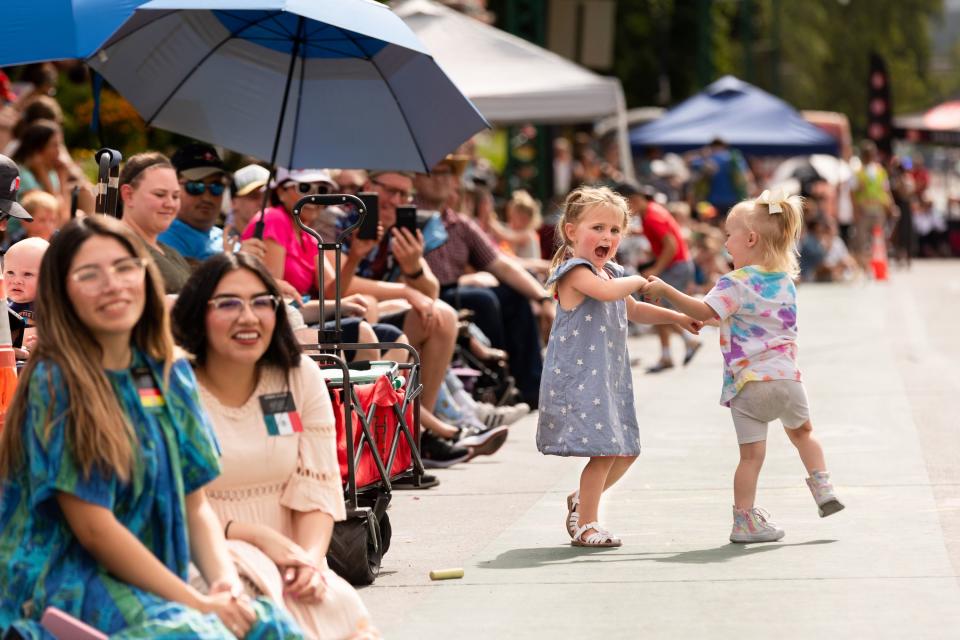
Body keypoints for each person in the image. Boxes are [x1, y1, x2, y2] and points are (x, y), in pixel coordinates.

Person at [0, 215, 301, 638]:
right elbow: (93, 529)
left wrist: (224, 584)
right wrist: (196, 602)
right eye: (90, 274)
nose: (113, 284)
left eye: (125, 268)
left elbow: (195, 504)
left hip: (162, 586)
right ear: (63, 292)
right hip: (66, 591)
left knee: (270, 626)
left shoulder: (167, 372)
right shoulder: (56, 380)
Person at [172, 252, 378, 639]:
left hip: (294, 553)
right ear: (197, 313)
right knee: (256, 615)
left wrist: (310, 564)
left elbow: (316, 489)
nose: (248, 317)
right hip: (203, 557)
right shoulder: (174, 386)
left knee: (336, 602)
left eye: (262, 302)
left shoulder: (299, 377)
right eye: (228, 303)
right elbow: (171, 504)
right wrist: (259, 539)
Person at [642, 190, 845, 544]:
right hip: (785, 379)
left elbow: (707, 311)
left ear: (750, 239)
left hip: (747, 386)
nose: (724, 244)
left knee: (750, 458)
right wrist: (709, 321)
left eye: (728, 236)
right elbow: (753, 319)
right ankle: (822, 484)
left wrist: (668, 292)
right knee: (804, 434)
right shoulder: (784, 282)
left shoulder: (733, 283)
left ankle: (743, 521)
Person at [537, 187, 702, 548]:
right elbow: (609, 294)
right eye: (597, 228)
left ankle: (581, 501)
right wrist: (642, 280)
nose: (607, 237)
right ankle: (588, 524)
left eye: (615, 230)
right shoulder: (575, 273)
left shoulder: (610, 271)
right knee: (607, 449)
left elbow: (634, 309)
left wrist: (678, 316)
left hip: (608, 378)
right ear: (571, 231)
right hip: (580, 379)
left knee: (627, 449)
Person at [619, 184, 702, 372]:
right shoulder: (651, 212)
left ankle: (681, 345)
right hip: (678, 265)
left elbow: (671, 246)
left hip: (676, 267)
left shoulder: (651, 217)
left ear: (634, 199)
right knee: (657, 307)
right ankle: (674, 349)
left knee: (657, 308)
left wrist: (656, 268)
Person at [118, 152, 193, 294]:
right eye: (159, 194)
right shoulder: (120, 248)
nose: (170, 204)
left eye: (176, 196)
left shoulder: (170, 252)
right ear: (128, 195)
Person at [158, 142, 231, 263]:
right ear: (172, 186)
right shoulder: (162, 236)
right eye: (195, 186)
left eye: (216, 186)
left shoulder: (228, 239)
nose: (207, 197)